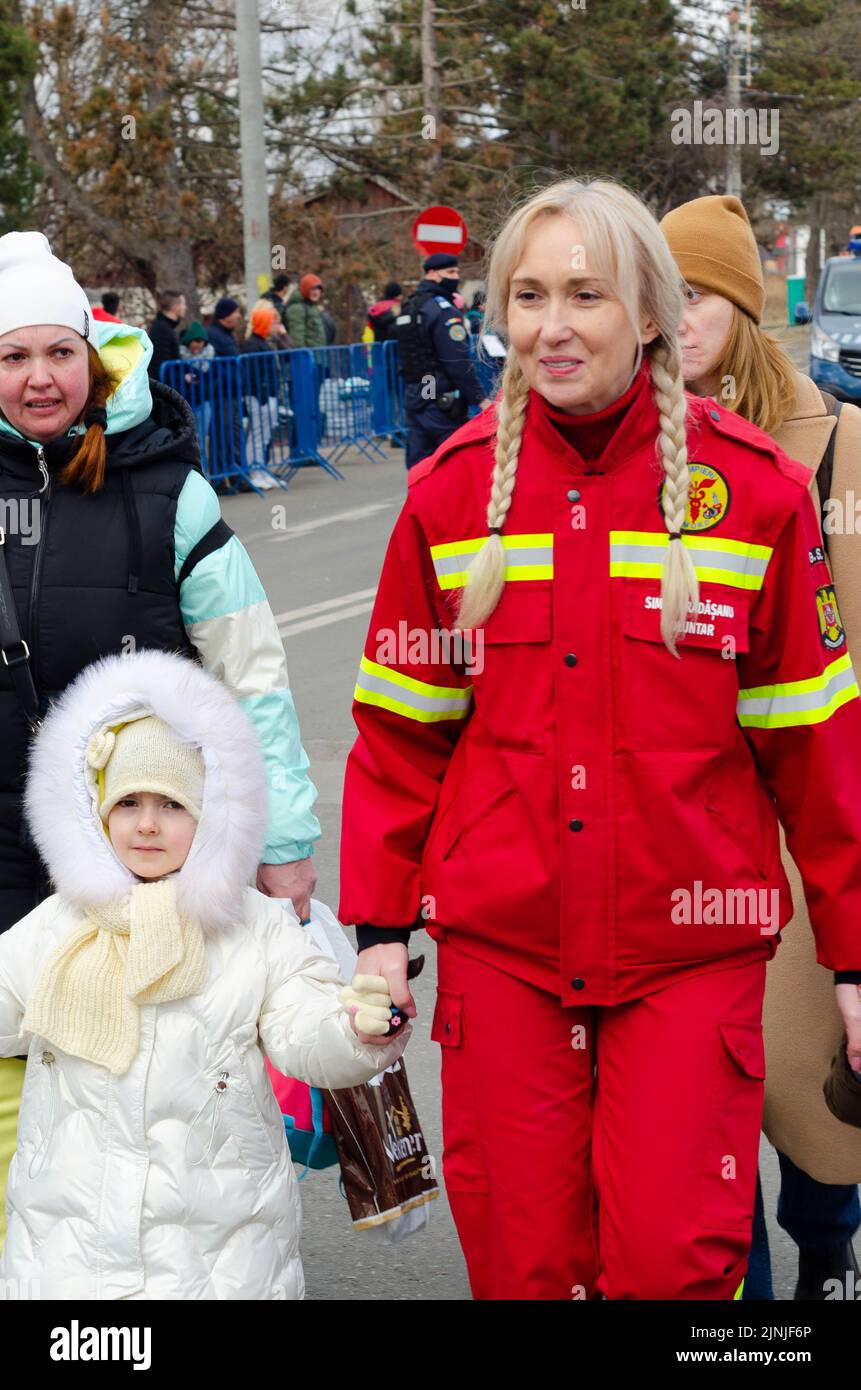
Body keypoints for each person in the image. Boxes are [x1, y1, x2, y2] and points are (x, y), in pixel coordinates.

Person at [338, 176, 861, 1300]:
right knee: (525, 1267)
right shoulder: (450, 493)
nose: (552, 324)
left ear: (653, 310)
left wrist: (857, 961)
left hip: (689, 958)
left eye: (587, 292)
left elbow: (818, 750)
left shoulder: (756, 491)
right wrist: (379, 931)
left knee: (678, 1264)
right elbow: (400, 736)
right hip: (504, 958)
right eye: (528, 295)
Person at [0, 232, 321, 1240]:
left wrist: (284, 842)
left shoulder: (164, 490)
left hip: (136, 854)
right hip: (2, 857)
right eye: (12, 357)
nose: (39, 377)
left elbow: (253, 673)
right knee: (12, 1105)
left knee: (139, 1109)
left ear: (92, 360)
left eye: (57, 352)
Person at [0, 648, 408, 1299]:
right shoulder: (58, 926)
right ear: (97, 814)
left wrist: (355, 1028)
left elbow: (305, 1027)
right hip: (69, 1251)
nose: (148, 824)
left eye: (172, 804)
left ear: (211, 815)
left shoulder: (255, 928)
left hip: (223, 1249)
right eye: (128, 802)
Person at [662, 192, 861, 1301]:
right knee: (700, 1108)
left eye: (693, 296)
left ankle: (830, 1248)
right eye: (657, 296)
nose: (671, 319)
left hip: (818, 809)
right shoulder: (628, 442)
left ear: (741, 306)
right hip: (692, 825)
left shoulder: (839, 444)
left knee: (820, 1087)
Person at [392, 252, 491, 470]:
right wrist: (479, 398)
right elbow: (456, 360)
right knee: (450, 462)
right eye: (451, 272)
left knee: (420, 465)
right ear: (433, 274)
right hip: (438, 395)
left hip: (418, 390)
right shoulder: (441, 311)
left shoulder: (411, 306)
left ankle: (421, 504)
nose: (456, 277)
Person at [241, 302, 283, 491]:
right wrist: (263, 396)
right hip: (259, 397)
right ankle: (254, 471)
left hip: (267, 396)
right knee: (257, 435)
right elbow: (253, 375)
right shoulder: (252, 345)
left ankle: (261, 468)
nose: (276, 327)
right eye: (273, 323)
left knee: (264, 435)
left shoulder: (263, 343)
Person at [179, 321, 215, 472]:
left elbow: (213, 379)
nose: (198, 346)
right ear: (188, 342)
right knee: (193, 441)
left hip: (203, 401)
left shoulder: (209, 357)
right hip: (188, 403)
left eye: (201, 342)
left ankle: (204, 474)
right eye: (195, 341)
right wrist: (184, 377)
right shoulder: (179, 358)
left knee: (201, 441)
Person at [147, 289, 186, 382]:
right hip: (167, 388)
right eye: (183, 304)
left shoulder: (166, 327)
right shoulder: (161, 330)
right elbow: (161, 364)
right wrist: (183, 377)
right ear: (175, 307)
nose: (185, 307)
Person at [284, 275, 327, 349]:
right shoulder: (296, 309)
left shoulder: (312, 307)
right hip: (308, 358)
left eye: (319, 289)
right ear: (305, 289)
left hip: (318, 356)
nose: (316, 292)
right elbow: (297, 340)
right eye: (313, 289)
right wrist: (304, 357)